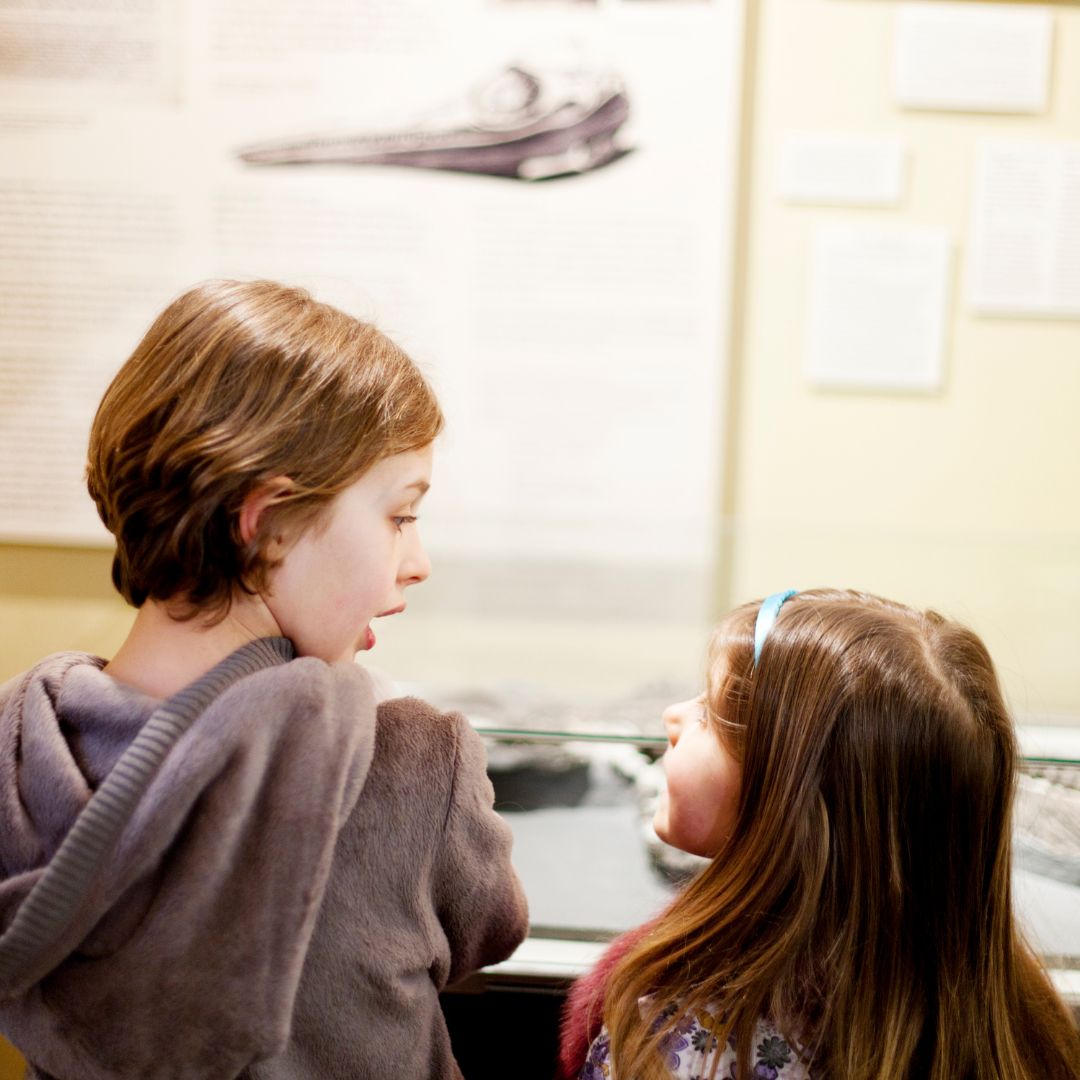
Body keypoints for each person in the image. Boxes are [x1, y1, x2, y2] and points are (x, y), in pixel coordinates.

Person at [0, 280, 529, 1079]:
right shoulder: (415, 765)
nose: (416, 563)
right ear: (267, 523)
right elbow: (491, 930)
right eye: (399, 515)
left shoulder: (17, 757)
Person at [558, 589, 1080, 1080]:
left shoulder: (679, 1041)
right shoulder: (1022, 1029)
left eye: (711, 717)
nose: (674, 715)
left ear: (791, 806)